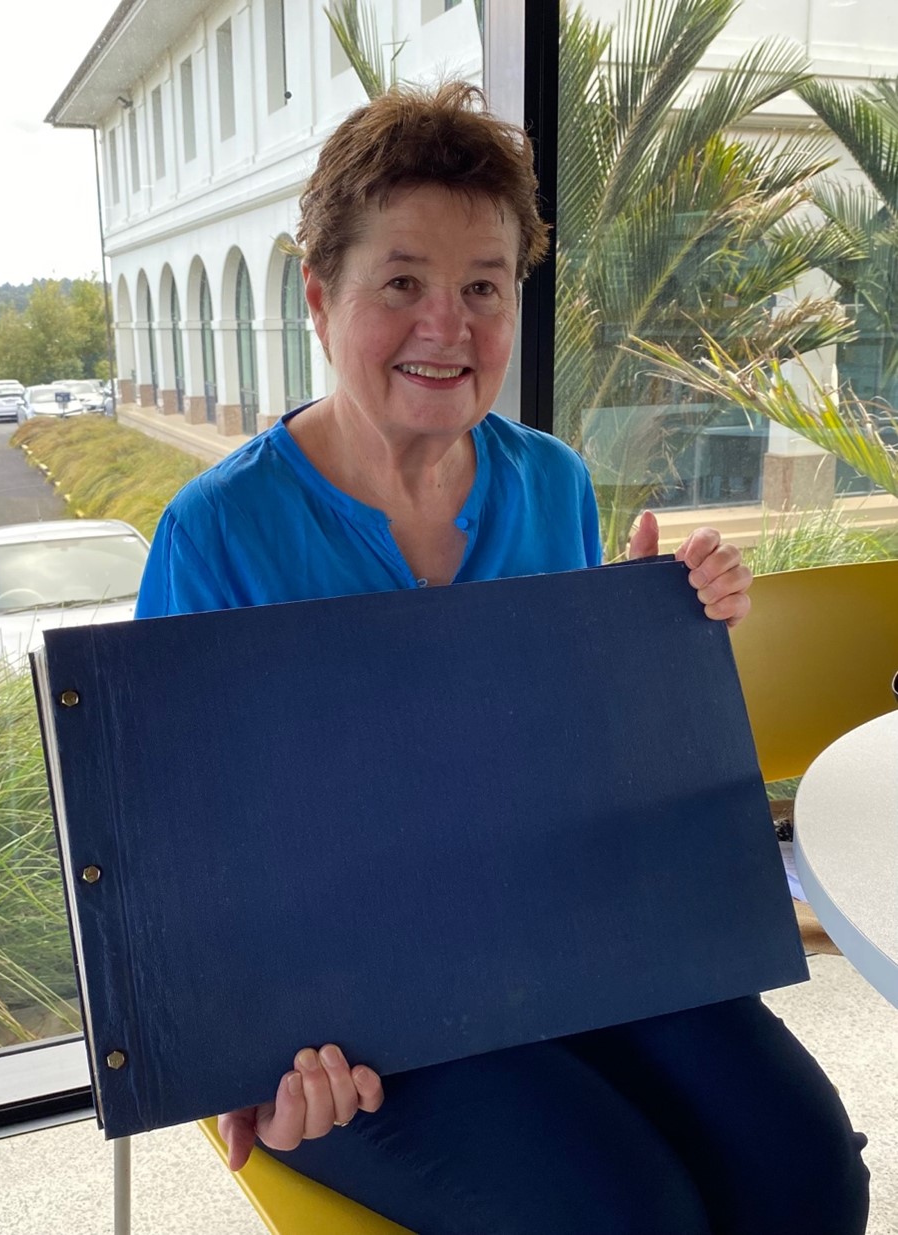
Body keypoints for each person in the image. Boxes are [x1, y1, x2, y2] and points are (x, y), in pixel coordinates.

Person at [135, 82, 869, 1235]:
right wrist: (239, 1069)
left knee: (808, 1171)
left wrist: (662, 646)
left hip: (568, 950)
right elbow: (168, 846)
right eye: (403, 284)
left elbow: (571, 776)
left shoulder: (553, 484)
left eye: (483, 287)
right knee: (635, 1215)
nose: (449, 326)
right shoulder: (218, 532)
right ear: (321, 303)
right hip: (351, 1019)